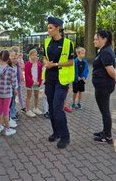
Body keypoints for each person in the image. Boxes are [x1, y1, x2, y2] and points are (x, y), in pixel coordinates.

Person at [43, 17, 75, 149]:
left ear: (58, 28)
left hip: (62, 79)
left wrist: (56, 64)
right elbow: (44, 56)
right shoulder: (47, 42)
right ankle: (56, 132)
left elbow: (71, 62)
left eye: (51, 28)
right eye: (48, 27)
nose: (48, 30)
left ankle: (65, 136)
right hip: (49, 78)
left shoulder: (68, 43)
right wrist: (46, 62)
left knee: (57, 107)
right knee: (51, 107)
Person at [92, 31, 116, 144]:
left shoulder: (105, 52)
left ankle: (107, 136)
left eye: (96, 39)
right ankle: (105, 132)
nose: (94, 41)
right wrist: (115, 78)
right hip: (102, 85)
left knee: (105, 111)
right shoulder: (105, 50)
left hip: (103, 86)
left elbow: (110, 70)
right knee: (104, 111)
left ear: (103, 39)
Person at [0, 50, 17, 136]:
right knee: (6, 111)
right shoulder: (11, 70)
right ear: (8, 59)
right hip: (7, 93)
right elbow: (14, 82)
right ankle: (7, 129)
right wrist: (15, 89)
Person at [24, 49, 42, 117]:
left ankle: (35, 108)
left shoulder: (39, 64)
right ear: (30, 55)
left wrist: (39, 82)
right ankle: (28, 110)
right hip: (30, 83)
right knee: (29, 96)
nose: (34, 56)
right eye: (33, 55)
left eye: (35, 55)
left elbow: (40, 74)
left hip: (36, 83)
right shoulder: (28, 63)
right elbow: (27, 74)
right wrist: (32, 82)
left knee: (36, 96)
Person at [10, 46, 25, 113]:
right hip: (14, 83)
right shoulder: (12, 65)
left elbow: (22, 67)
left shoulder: (18, 62)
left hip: (18, 81)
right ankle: (13, 111)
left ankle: (15, 109)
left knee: (16, 96)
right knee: (13, 97)